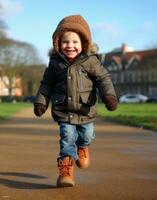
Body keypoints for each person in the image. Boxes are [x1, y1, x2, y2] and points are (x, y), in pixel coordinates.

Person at [34, 14, 118, 187]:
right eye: (65, 42)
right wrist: (41, 102)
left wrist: (109, 96)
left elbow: (104, 79)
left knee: (86, 135)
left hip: (85, 110)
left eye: (75, 42)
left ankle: (83, 147)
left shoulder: (91, 61)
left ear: (84, 43)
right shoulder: (55, 63)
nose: (70, 46)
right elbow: (46, 84)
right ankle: (66, 173)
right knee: (67, 138)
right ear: (58, 43)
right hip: (64, 111)